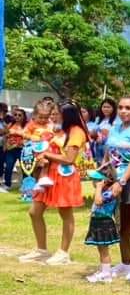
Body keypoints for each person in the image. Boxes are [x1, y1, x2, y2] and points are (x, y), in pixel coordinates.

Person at [19, 101, 89, 265]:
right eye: (52, 114)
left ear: (67, 115)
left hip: (65, 176)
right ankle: (41, 249)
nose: (53, 117)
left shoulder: (76, 132)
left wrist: (46, 155)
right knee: (34, 212)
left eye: (56, 114)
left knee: (65, 214)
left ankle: (63, 253)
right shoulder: (59, 130)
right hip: (49, 175)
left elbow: (69, 159)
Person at [92, 95, 130, 283]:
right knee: (122, 224)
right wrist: (101, 175)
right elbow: (108, 154)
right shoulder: (114, 128)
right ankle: (126, 263)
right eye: (121, 107)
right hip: (114, 179)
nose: (123, 111)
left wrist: (122, 182)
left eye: (128, 108)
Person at [83, 163, 122, 283]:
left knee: (104, 250)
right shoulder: (103, 191)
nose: (94, 182)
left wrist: (99, 188)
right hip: (97, 222)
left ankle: (106, 274)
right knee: (100, 248)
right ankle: (103, 269)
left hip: (104, 223)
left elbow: (98, 201)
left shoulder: (111, 193)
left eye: (97, 180)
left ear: (105, 181)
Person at [1, 108, 27, 192]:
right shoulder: (10, 125)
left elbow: (28, 137)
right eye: (15, 115)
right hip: (11, 150)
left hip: (22, 150)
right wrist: (6, 144)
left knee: (24, 168)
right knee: (8, 167)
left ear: (23, 116)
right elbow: (5, 135)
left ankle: (25, 185)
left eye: (20, 115)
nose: (17, 117)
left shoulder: (26, 126)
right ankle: (7, 184)